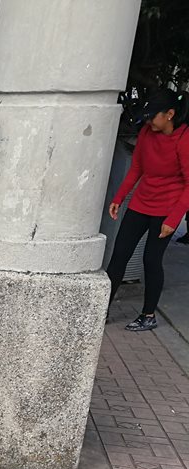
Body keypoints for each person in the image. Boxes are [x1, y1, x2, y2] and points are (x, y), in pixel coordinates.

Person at [105, 87, 189, 332]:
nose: (150, 121)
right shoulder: (146, 133)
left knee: (151, 259)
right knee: (119, 255)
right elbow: (136, 168)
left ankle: (148, 314)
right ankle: (102, 308)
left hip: (167, 209)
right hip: (141, 203)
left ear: (170, 114)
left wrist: (173, 219)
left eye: (154, 116)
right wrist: (119, 198)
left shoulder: (184, 139)